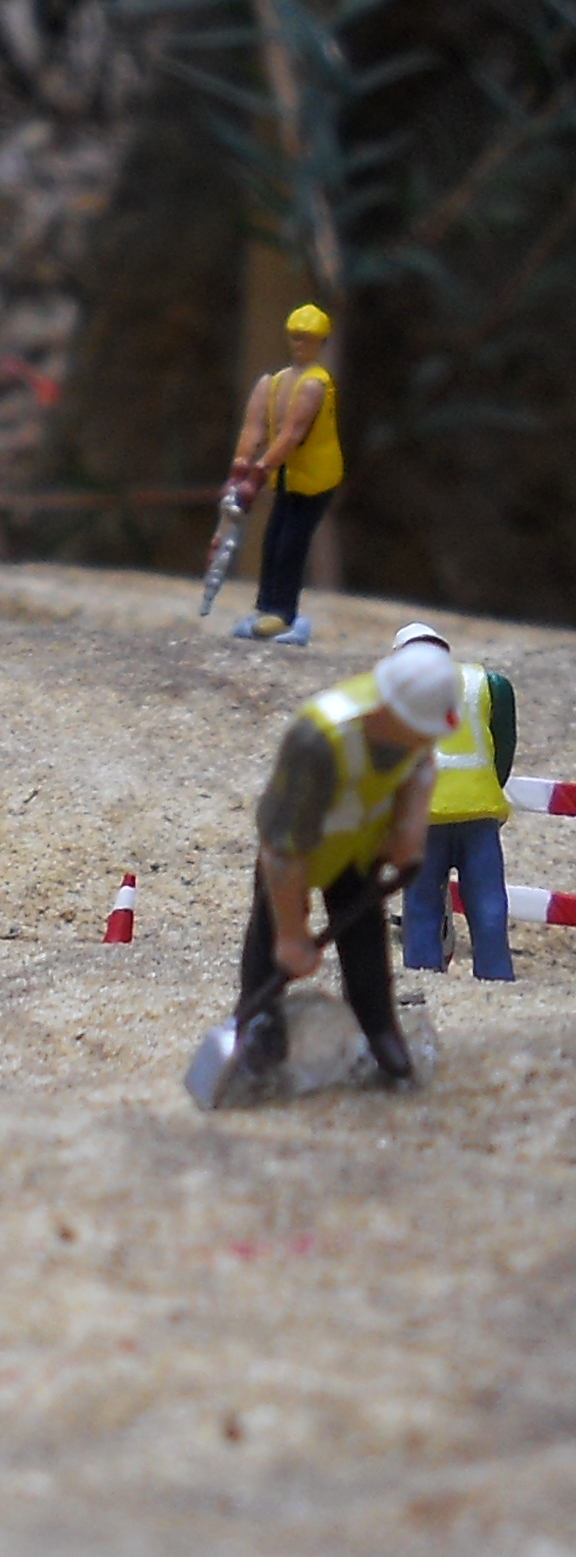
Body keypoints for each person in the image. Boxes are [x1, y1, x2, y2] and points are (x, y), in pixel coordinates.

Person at [236, 642, 461, 1082]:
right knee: (268, 939)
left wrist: (408, 833)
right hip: (297, 853)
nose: (426, 738)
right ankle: (257, 1030)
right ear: (391, 712)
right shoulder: (318, 740)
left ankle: (379, 1032)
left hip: (358, 852)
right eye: (420, 729)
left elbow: (420, 768)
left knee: (366, 947)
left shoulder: (414, 729)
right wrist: (291, 935)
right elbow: (281, 850)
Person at [391, 621, 519, 982]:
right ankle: (495, 973)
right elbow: (504, 745)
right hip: (479, 811)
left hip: (424, 816)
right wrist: (488, 787)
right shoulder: (486, 683)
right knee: (488, 901)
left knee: (421, 902)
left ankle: (423, 972)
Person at [228, 302, 343, 645]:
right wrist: (240, 465)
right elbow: (254, 427)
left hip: (314, 480)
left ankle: (283, 612)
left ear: (321, 342)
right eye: (295, 337)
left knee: (291, 542)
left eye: (308, 339)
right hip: (287, 478)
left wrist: (258, 472)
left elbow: (292, 434)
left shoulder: (315, 384)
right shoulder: (275, 382)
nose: (300, 344)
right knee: (273, 539)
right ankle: (266, 607)